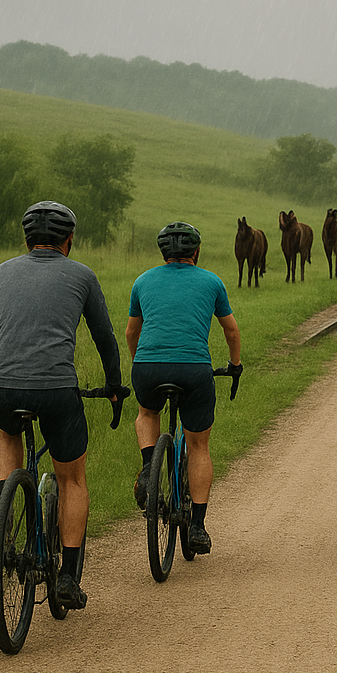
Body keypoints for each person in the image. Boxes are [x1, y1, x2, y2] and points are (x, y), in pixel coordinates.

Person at [0, 200, 123, 610]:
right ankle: (67, 578)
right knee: (72, 478)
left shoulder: (0, 272)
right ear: (69, 239)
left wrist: (3, 377)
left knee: (7, 432)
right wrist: (114, 386)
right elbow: (104, 337)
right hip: (57, 390)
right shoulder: (82, 275)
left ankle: (4, 509)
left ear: (27, 238)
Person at [126, 221, 242, 555]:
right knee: (199, 445)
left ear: (163, 251)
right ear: (197, 251)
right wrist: (235, 365)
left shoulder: (143, 281)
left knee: (147, 412)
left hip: (148, 367)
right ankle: (198, 527)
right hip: (193, 368)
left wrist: (140, 363)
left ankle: (148, 468)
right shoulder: (212, 281)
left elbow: (132, 332)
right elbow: (231, 331)